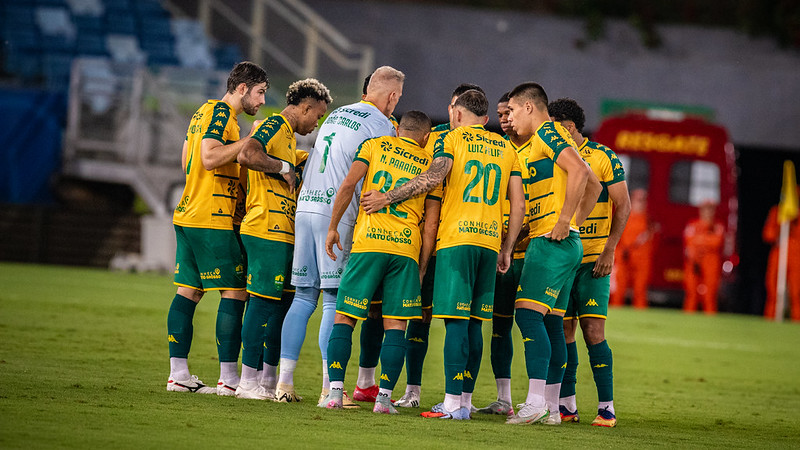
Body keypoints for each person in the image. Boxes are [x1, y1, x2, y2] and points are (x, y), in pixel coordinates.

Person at [362, 89, 526, 420]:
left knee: (455, 322)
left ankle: (452, 405)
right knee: (476, 324)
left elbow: (433, 177)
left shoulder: (451, 140)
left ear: (458, 115)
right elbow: (518, 203)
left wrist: (387, 197)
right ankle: (464, 400)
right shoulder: (507, 147)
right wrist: (506, 248)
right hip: (490, 243)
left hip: (457, 240)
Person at [276, 66, 404, 403]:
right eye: (398, 98)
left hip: (305, 206)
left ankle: (284, 383)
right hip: (338, 213)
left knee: (303, 297)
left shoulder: (335, 114)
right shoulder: (383, 126)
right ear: (391, 97)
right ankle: (328, 389)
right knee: (334, 300)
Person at [167, 61, 293, 394]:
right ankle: (229, 378)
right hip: (213, 217)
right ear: (242, 88)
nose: (262, 101)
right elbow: (209, 158)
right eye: (260, 92)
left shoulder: (200, 114)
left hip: (187, 213)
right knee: (235, 292)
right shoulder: (223, 114)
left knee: (189, 292)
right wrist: (248, 143)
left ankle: (178, 374)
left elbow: (187, 161)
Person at [320, 111, 440, 414]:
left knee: (345, 317)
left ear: (397, 129)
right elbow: (430, 224)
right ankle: (384, 399)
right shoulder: (430, 163)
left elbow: (348, 185)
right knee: (396, 326)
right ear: (426, 136)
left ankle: (335, 393)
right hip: (405, 251)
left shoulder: (374, 146)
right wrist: (421, 265)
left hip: (369, 243)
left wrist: (333, 227)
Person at [504, 83, 601, 425]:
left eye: (513, 111)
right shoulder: (536, 143)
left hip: (553, 243)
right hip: (563, 243)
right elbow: (594, 183)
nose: (510, 118)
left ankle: (534, 404)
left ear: (529, 107)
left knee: (528, 317)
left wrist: (564, 220)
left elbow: (580, 171)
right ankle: (552, 410)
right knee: (551, 322)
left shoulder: (548, 132)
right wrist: (575, 221)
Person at [232, 79, 333, 399]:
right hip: (265, 228)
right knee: (261, 305)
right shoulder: (275, 124)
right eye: (316, 116)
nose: (316, 123)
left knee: (281, 308)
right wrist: (283, 166)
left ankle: (268, 381)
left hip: (284, 231)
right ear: (304, 108)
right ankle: (246, 382)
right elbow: (247, 153)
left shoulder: (289, 137)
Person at [394, 82, 485, 409]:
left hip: (452, 240)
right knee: (419, 318)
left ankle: (462, 398)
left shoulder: (448, 140)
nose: (452, 113)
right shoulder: (434, 136)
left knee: (464, 322)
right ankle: (414, 390)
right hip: (435, 237)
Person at [548, 98, 630, 428]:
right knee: (564, 330)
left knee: (593, 330)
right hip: (566, 255)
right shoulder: (556, 156)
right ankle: (567, 405)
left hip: (594, 258)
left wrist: (610, 250)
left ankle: (606, 407)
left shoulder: (604, 157)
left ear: (569, 126)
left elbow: (622, 206)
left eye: (554, 125)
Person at [476, 91, 533, 417]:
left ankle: (551, 402)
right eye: (501, 114)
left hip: (526, 254)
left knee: (535, 327)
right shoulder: (497, 151)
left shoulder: (539, 150)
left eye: (509, 112)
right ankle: (504, 398)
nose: (505, 119)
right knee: (499, 328)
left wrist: (513, 240)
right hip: (498, 252)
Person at [610, 188, 657, 308]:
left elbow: (652, 243)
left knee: (640, 289)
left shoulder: (648, 220)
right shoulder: (624, 217)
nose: (640, 203)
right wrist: (619, 254)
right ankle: (616, 310)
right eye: (638, 200)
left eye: (643, 200)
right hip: (625, 256)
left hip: (642, 259)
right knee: (620, 287)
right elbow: (615, 238)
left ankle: (640, 315)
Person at [682, 200, 725, 314]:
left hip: (711, 261)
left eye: (710, 209)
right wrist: (705, 240)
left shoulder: (717, 226)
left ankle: (710, 320)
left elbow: (716, 242)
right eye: (706, 209)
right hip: (694, 261)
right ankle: (688, 320)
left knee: (710, 294)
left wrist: (700, 239)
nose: (708, 212)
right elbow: (689, 241)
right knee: (691, 293)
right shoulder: (693, 225)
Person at [763, 192, 800, 320]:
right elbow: (768, 234)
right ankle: (771, 319)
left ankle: (797, 321)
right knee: (773, 289)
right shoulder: (776, 212)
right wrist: (781, 226)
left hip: (796, 256)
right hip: (778, 254)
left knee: (796, 293)